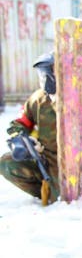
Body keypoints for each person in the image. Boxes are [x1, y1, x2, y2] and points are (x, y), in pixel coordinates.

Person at [1, 51, 59, 202]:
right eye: (43, 74)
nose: (46, 79)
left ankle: (54, 192)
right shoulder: (38, 99)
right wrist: (26, 141)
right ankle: (44, 191)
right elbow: (19, 124)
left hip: (76, 166)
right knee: (7, 163)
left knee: (64, 199)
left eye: (50, 72)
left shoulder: (80, 99)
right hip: (47, 162)